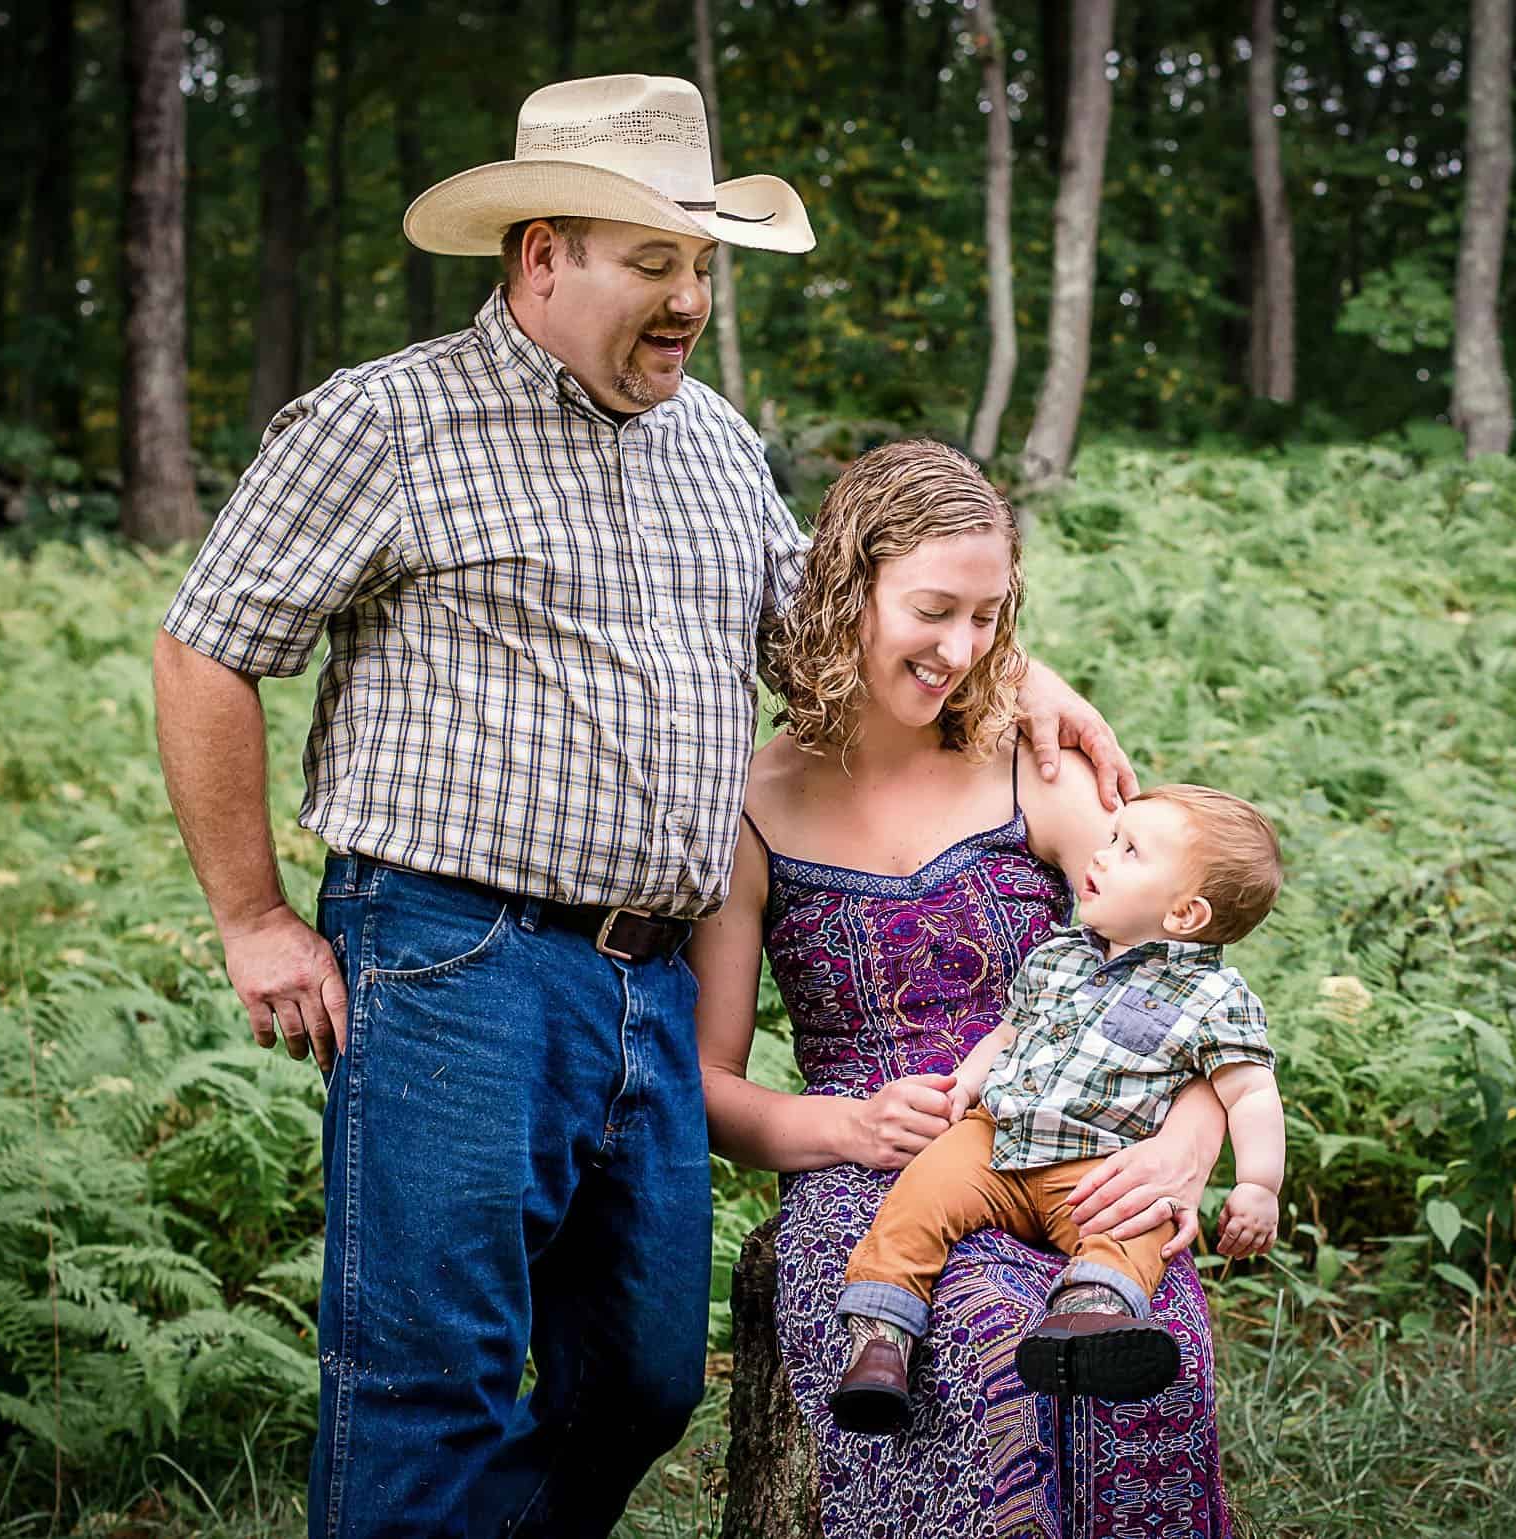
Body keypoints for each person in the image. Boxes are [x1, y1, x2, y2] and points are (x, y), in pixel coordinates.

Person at [151, 76, 1133, 1539]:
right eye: (654, 261)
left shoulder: (712, 443)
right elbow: (205, 643)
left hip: (648, 979)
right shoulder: (389, 419)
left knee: (642, 1376)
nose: (688, 300)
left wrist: (1023, 668)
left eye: (701, 265)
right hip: (451, 960)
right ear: (542, 254)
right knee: (432, 1379)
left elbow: (828, 634)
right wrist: (252, 917)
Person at [692, 439, 1241, 1537]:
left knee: (1142, 1352)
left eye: (987, 618)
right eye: (934, 610)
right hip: (878, 1176)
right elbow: (706, 1084)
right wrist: (837, 1123)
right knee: (979, 1335)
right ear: (850, 591)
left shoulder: (1033, 768)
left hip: (1076, 1134)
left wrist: (1184, 1149)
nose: (961, 649)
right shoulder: (747, 808)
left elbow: (1187, 998)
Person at [829, 783, 1286, 1433]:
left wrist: (1258, 1183)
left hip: (1101, 1164)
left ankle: (1089, 1319)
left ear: (1186, 914)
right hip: (998, 1136)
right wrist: (965, 1083)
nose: (1100, 855)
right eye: (1111, 838)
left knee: (1140, 1222)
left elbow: (1250, 1090)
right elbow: (1010, 1032)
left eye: (1129, 851)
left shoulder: (1215, 994)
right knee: (918, 1196)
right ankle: (880, 1341)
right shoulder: (1059, 957)